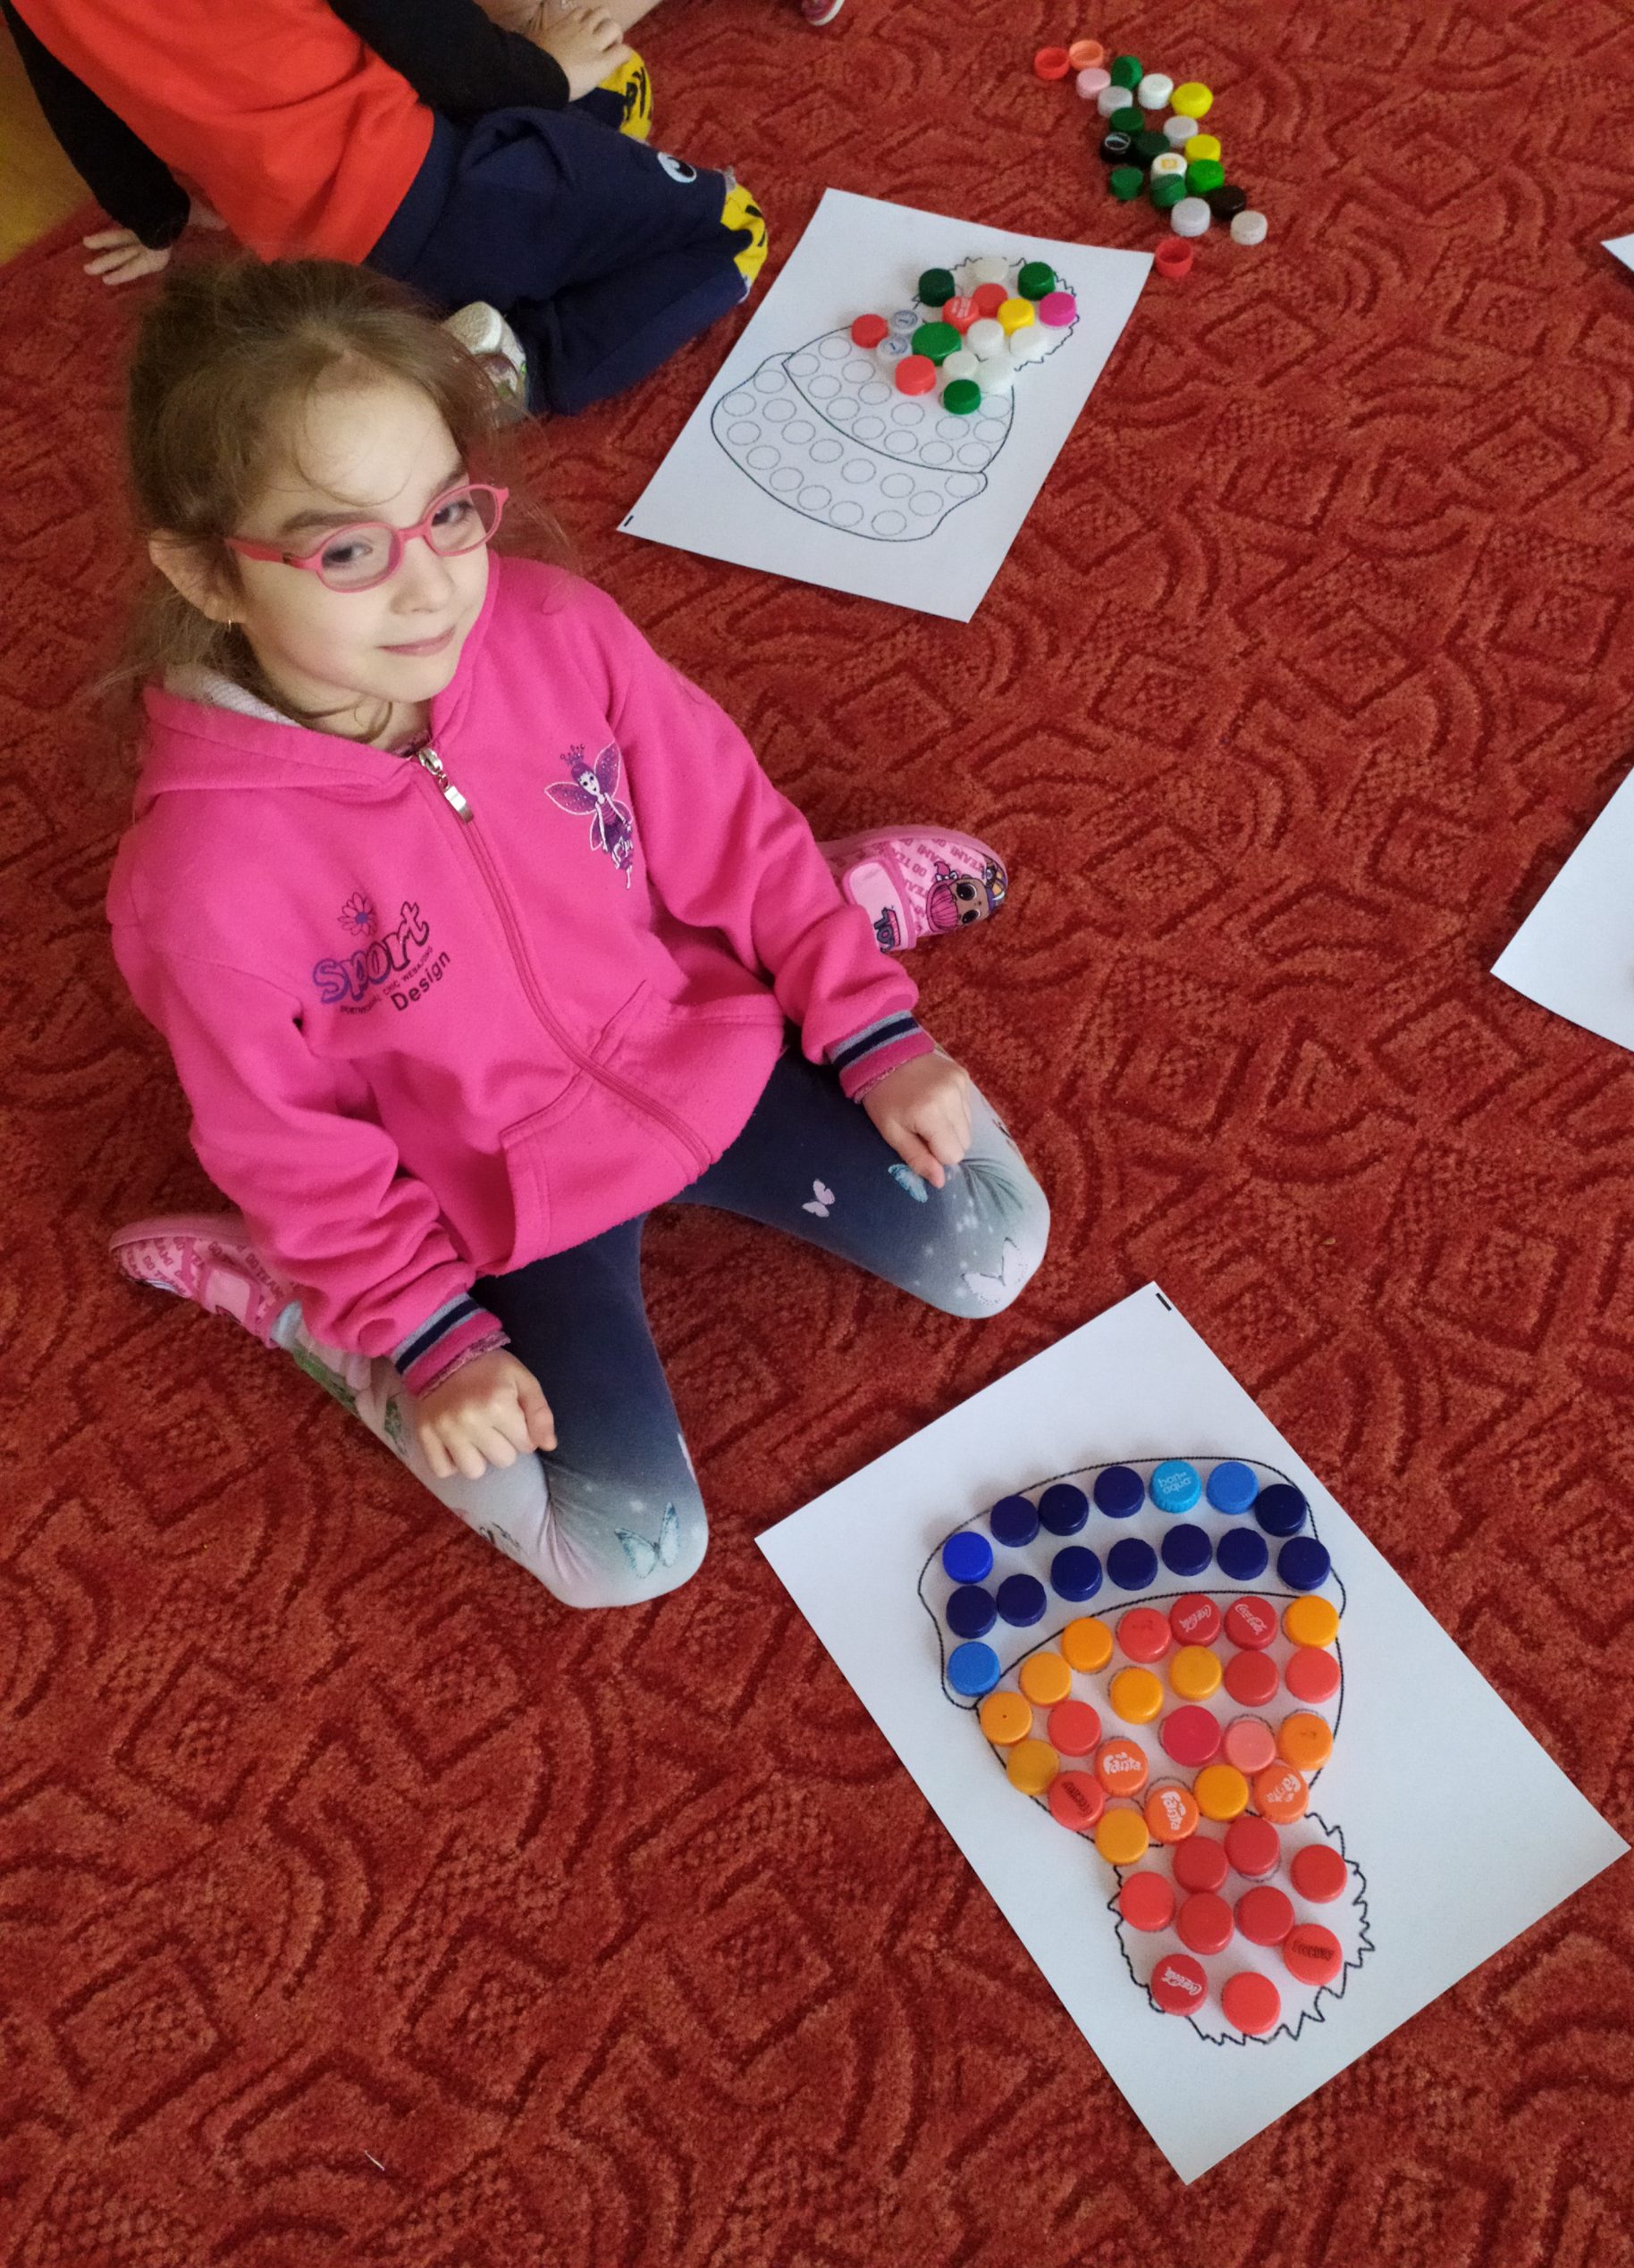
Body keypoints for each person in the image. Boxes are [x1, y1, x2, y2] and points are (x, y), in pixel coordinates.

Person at [105, 259, 1050, 1609]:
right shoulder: (197, 883)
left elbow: (733, 828)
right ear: (206, 573)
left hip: (701, 1035)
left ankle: (839, 920)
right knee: (624, 1558)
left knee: (998, 1251)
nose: (430, 591)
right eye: (346, 551)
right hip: (494, 1204)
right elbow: (285, 1142)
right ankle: (308, 1317)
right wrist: (425, 1338)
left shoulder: (558, 627)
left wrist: (874, 1030)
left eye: (448, 513)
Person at [1, 0, 764, 414]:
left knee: (616, 88)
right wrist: (544, 74)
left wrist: (155, 217)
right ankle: (520, 369)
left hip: (318, 254)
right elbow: (432, 38)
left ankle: (551, 208)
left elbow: (75, 100)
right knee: (735, 228)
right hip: (440, 187)